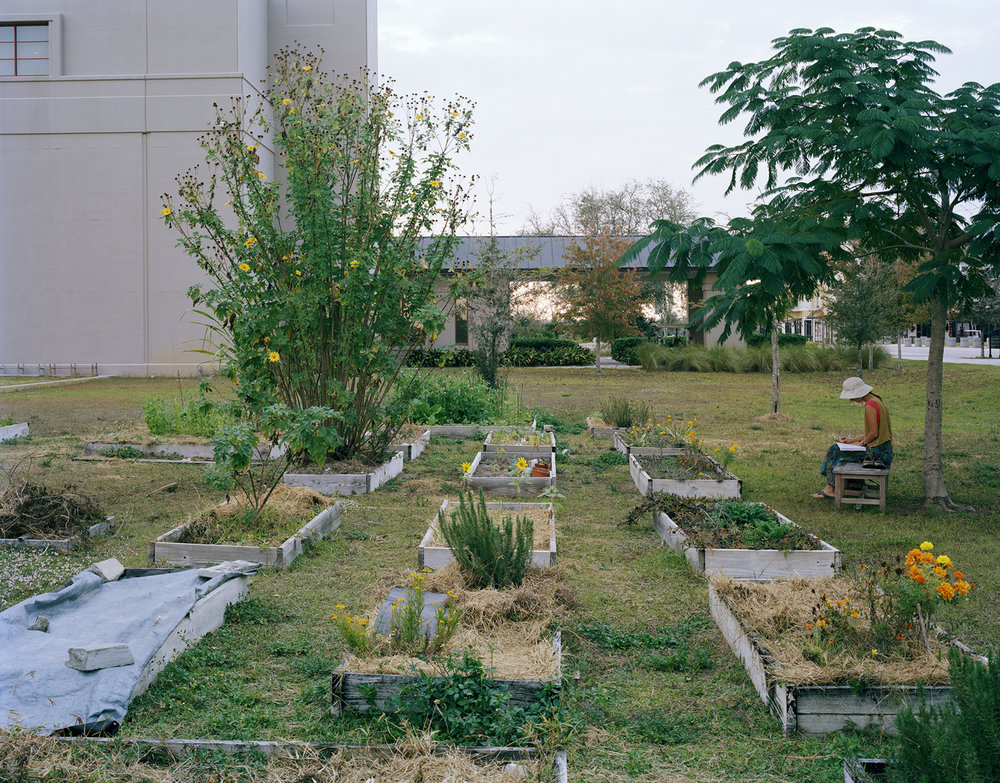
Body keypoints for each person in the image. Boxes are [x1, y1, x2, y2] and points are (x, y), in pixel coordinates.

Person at [812, 377, 893, 499]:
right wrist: (851, 441)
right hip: (884, 450)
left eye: (852, 395)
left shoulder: (870, 405)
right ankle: (842, 485)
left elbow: (874, 434)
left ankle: (830, 489)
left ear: (859, 392)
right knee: (837, 449)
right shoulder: (877, 400)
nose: (851, 399)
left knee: (834, 450)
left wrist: (861, 444)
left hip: (877, 455)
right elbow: (873, 432)